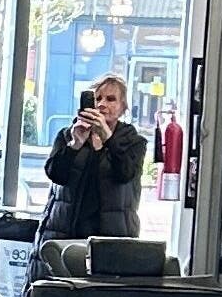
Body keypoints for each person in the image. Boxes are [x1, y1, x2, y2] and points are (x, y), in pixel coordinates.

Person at [40, 74, 146, 240]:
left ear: (123, 107)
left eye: (111, 99)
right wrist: (74, 145)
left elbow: (125, 173)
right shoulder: (68, 135)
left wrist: (108, 138)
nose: (102, 104)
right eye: (97, 98)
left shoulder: (133, 142)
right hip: (64, 231)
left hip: (113, 236)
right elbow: (55, 175)